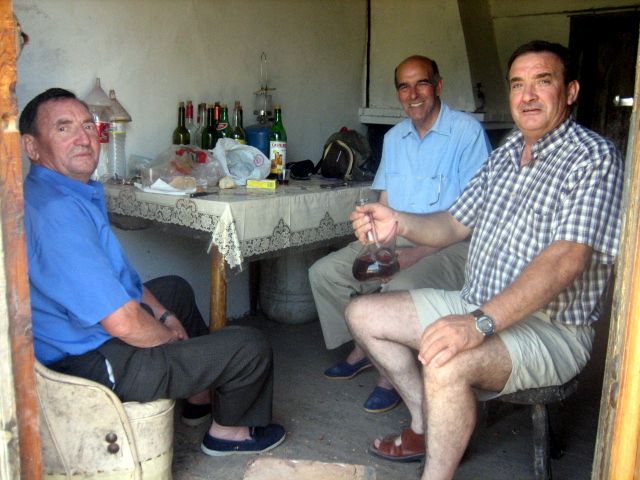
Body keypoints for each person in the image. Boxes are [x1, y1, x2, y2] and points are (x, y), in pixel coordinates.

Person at [345, 40, 623, 479]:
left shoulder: (593, 157)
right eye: (517, 84)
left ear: (570, 91)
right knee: (363, 314)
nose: (527, 96)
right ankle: (426, 424)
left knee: (446, 361)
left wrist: (479, 323)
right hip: (476, 302)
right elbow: (452, 224)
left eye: (542, 82)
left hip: (551, 328)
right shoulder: (507, 154)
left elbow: (565, 260)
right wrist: (396, 221)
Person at [20, 88, 286, 457]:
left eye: (87, 126)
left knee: (174, 290)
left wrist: (163, 314)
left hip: (84, 335)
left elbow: (121, 280)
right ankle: (229, 434)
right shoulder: (56, 213)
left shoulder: (64, 192)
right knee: (249, 346)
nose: (83, 138)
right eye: (63, 129)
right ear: (32, 146)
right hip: (89, 364)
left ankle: (197, 399)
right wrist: (168, 337)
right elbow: (122, 322)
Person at [309, 55, 491, 413]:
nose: (413, 94)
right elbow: (386, 202)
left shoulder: (466, 133)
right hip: (398, 236)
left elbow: (473, 218)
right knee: (325, 273)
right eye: (404, 87)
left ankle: (391, 376)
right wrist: (376, 243)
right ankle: (367, 348)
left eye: (421, 83)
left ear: (438, 85)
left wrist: (416, 254)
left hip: (452, 244)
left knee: (399, 285)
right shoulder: (394, 138)